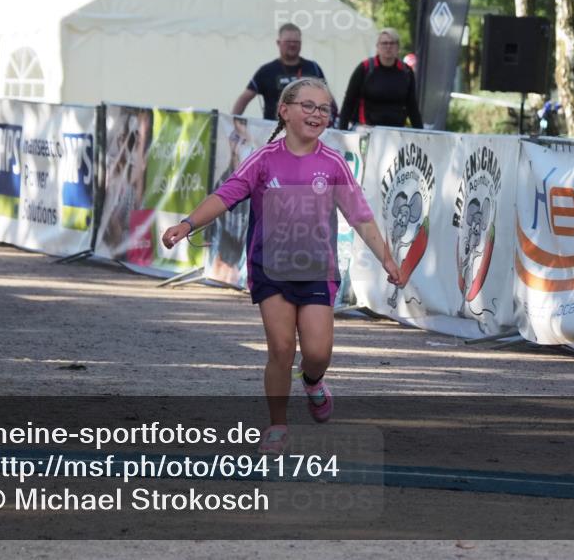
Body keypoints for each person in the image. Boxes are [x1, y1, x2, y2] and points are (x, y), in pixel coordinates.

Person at [163, 78, 402, 454]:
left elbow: (360, 216)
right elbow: (225, 195)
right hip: (270, 270)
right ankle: (277, 426)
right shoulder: (263, 160)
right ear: (284, 111)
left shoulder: (333, 163)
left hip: (316, 271)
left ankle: (313, 381)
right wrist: (188, 224)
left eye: (324, 109)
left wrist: (386, 257)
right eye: (308, 106)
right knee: (281, 348)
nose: (317, 114)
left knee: (318, 353)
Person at [232, 23, 328, 120]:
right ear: (278, 43)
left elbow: (327, 98)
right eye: (288, 41)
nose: (292, 44)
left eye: (296, 41)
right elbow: (244, 99)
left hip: (309, 126)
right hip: (276, 127)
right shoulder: (266, 71)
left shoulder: (313, 68)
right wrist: (232, 122)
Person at [338, 28, 423, 129]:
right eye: (384, 43)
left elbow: (412, 106)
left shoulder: (406, 72)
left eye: (392, 43)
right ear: (377, 47)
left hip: (396, 130)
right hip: (366, 128)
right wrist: (342, 130)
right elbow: (349, 101)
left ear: (398, 47)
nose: (388, 47)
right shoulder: (365, 68)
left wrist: (421, 133)